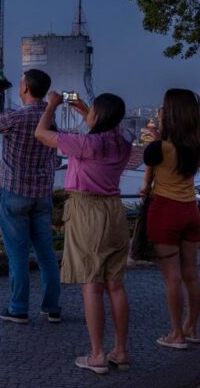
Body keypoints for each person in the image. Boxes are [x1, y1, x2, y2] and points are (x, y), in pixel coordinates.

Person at [34, 92, 132, 375]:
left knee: (92, 283)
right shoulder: (123, 142)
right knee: (116, 284)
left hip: (88, 212)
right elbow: (106, 129)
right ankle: (121, 352)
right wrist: (86, 110)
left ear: (97, 117)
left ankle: (98, 355)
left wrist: (52, 105)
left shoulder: (87, 144)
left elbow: (41, 133)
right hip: (115, 212)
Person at [0, 69, 62, 324]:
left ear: (25, 88)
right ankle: (52, 306)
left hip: (15, 193)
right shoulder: (51, 118)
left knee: (18, 254)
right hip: (42, 195)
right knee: (46, 252)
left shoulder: (16, 117)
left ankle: (18, 308)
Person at [140, 88, 200, 349]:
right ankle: (192, 328)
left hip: (165, 210)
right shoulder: (196, 144)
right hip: (191, 210)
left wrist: (157, 137)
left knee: (172, 278)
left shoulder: (158, 149)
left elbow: (153, 164)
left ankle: (176, 334)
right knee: (191, 274)